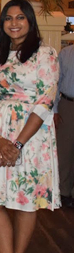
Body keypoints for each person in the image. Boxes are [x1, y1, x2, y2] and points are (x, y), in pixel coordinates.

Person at [0, 0, 60, 253]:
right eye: (9, 18)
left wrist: (18, 143)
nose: (14, 23)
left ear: (30, 22)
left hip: (32, 137)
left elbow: (45, 101)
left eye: (21, 18)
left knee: (25, 203)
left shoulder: (45, 54)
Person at [55, 44, 74, 208]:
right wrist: (54, 110)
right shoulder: (65, 54)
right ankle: (64, 192)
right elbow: (56, 82)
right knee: (65, 151)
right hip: (68, 105)